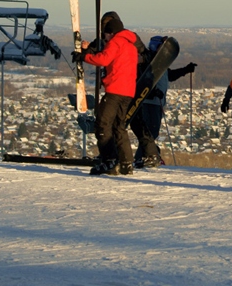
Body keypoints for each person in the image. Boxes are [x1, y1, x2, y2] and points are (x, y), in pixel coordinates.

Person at [74, 17, 138, 175]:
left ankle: (109, 160)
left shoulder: (116, 42)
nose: (105, 38)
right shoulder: (131, 46)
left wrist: (84, 57)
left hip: (115, 90)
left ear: (111, 33)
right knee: (119, 126)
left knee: (102, 124)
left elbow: (104, 59)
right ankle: (126, 163)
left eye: (105, 34)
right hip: (128, 92)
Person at [132, 36, 197, 168]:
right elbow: (143, 81)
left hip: (156, 102)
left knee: (151, 131)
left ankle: (145, 155)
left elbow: (169, 76)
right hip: (149, 102)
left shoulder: (161, 64)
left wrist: (186, 70)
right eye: (161, 47)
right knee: (151, 131)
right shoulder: (149, 63)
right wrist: (153, 93)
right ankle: (142, 156)